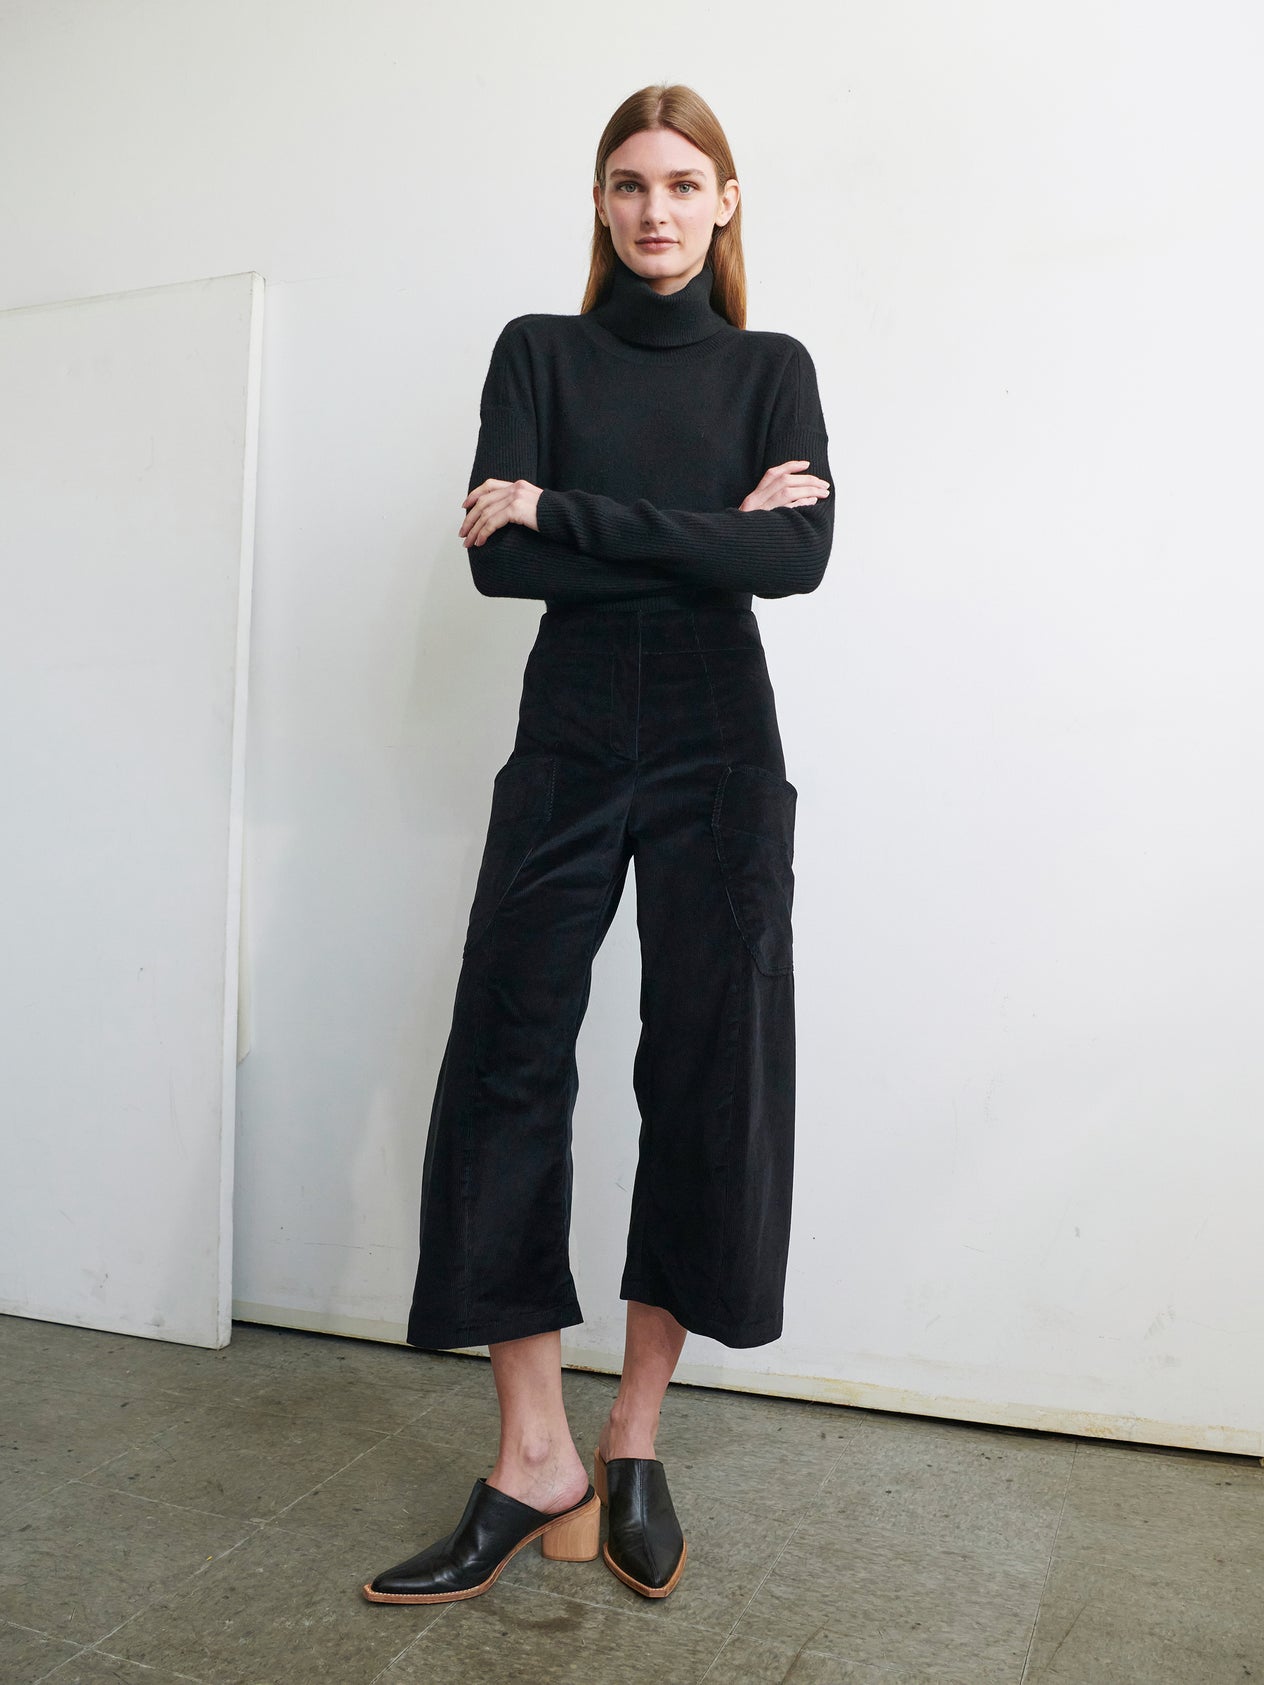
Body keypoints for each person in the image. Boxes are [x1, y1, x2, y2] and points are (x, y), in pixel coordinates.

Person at [364, 81, 833, 1608]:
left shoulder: (772, 369)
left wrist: (579, 509)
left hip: (720, 734)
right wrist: (703, 528)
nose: (654, 208)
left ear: (727, 201)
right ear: (600, 201)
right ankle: (532, 1452)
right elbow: (505, 570)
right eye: (628, 182)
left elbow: (801, 556)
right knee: (508, 1052)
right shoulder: (537, 351)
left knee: (707, 1063)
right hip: (570, 723)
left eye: (684, 182)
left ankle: (632, 1436)